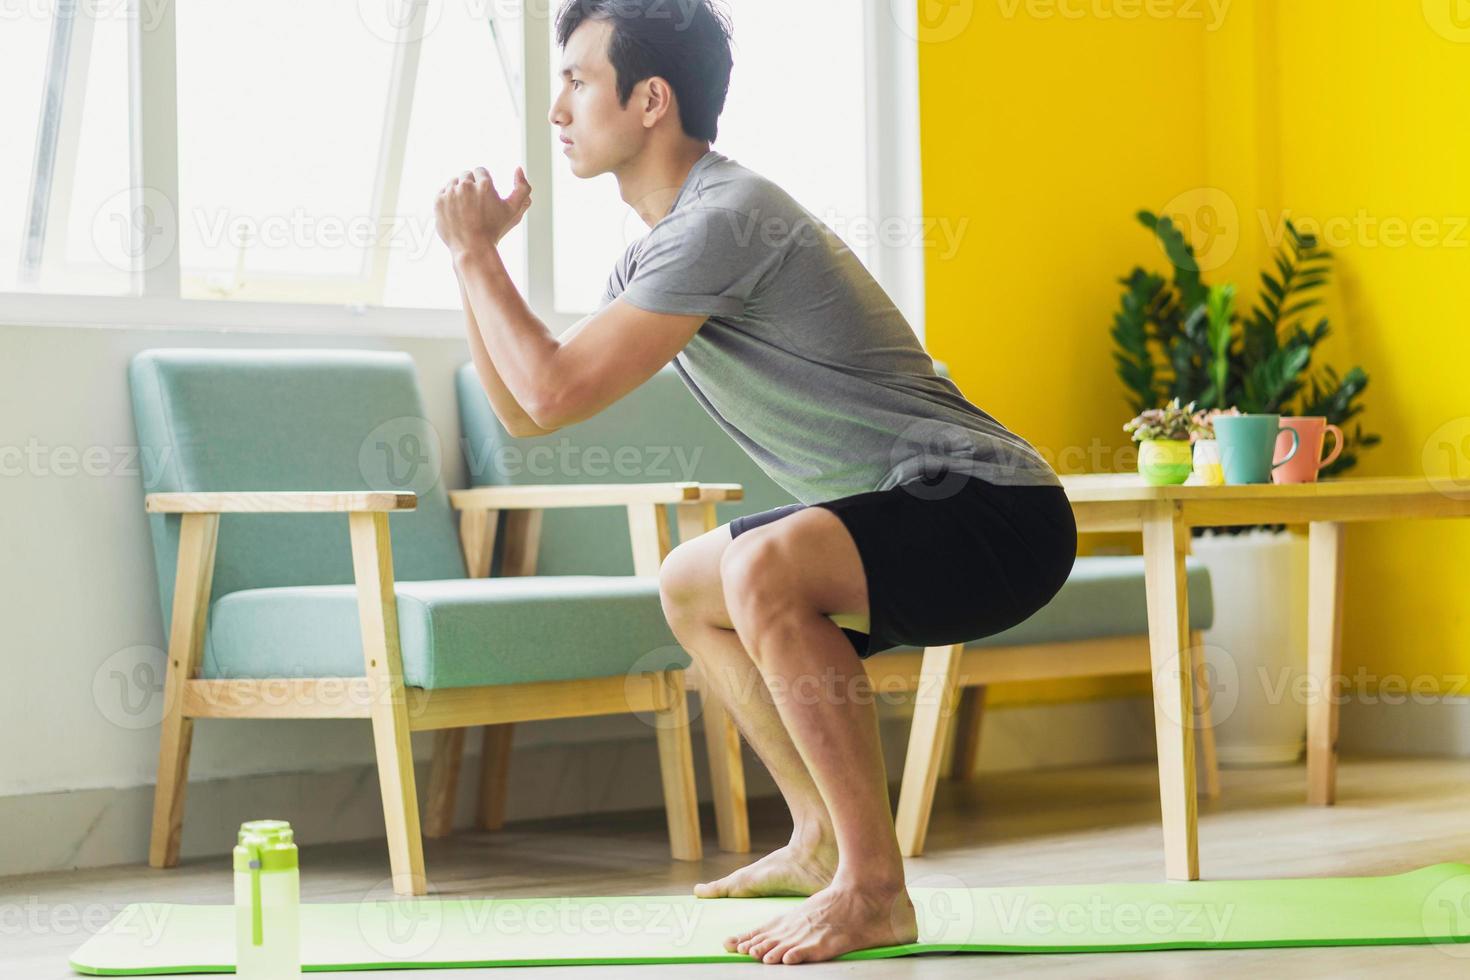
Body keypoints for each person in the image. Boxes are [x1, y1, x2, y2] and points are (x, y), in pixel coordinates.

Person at [433, 0, 1078, 965]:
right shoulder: (663, 244)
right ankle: (820, 838)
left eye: (577, 79)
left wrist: (479, 251)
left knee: (763, 567)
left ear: (651, 100)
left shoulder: (723, 220)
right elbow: (527, 413)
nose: (557, 107)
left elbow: (551, 390)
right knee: (694, 581)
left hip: (994, 509)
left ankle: (873, 890)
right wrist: (465, 262)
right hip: (917, 513)